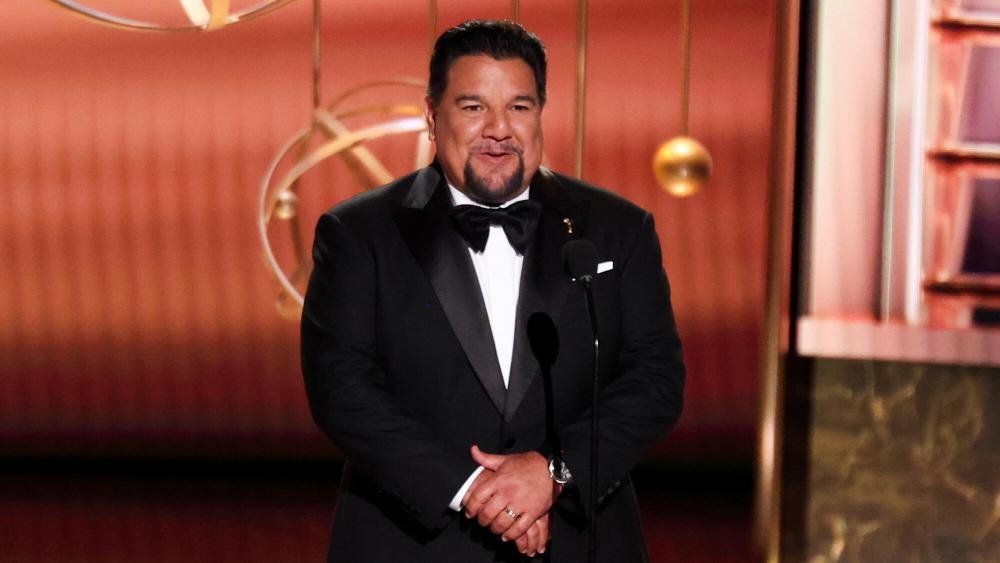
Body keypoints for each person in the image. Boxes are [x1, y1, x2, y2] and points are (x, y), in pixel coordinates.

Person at [301, 19, 685, 563]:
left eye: (519, 107)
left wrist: (554, 473)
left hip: (578, 540)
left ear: (541, 113)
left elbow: (656, 379)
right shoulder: (359, 233)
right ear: (432, 116)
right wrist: (473, 491)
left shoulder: (618, 229)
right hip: (411, 543)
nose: (499, 129)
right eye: (474, 107)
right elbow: (342, 389)